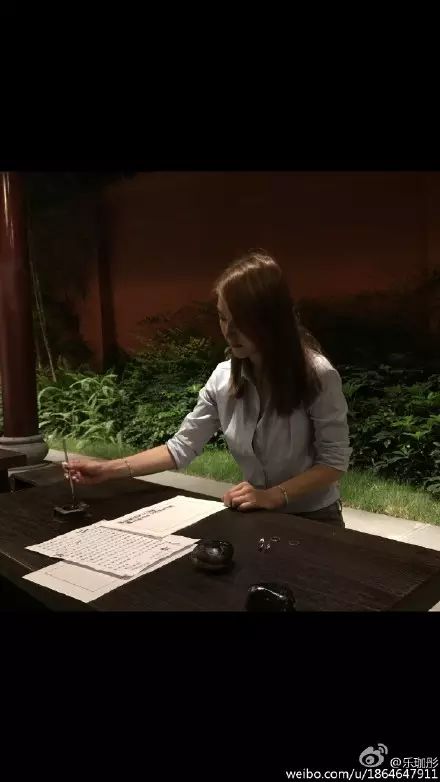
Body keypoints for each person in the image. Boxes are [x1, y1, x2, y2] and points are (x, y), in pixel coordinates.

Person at [63, 251, 352, 527]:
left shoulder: (317, 375)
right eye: (223, 318)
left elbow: (333, 463)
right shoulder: (223, 379)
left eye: (242, 320)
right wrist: (107, 469)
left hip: (314, 518)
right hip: (257, 514)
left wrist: (272, 496)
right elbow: (181, 447)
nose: (229, 331)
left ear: (271, 319)